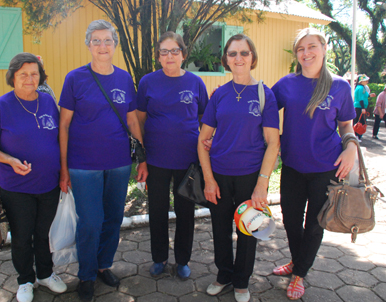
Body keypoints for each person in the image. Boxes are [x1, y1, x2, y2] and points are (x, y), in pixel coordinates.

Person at [58, 19, 147, 302]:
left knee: (113, 218)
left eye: (107, 40)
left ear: (115, 45)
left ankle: (103, 265)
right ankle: (85, 275)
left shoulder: (123, 78)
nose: (102, 45)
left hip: (119, 162)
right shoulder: (75, 78)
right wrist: (63, 167)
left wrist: (142, 157)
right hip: (84, 165)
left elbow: (132, 119)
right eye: (96, 40)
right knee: (90, 222)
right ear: (88, 45)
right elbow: (64, 125)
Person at [271, 28, 357, 300]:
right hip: (293, 166)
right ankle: (298, 261)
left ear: (323, 48)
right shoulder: (286, 84)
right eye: (300, 49)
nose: (306, 53)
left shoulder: (340, 87)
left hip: (326, 167)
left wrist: (351, 147)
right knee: (291, 220)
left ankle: (300, 273)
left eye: (311, 47)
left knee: (315, 224)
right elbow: (262, 110)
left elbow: (345, 124)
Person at [0, 53, 67, 302]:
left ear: (41, 76)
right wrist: (9, 160)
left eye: (34, 73)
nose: (30, 79)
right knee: (22, 235)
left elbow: (59, 139)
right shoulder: (1, 107)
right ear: (13, 77)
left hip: (48, 184)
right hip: (16, 188)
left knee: (43, 233)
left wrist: (63, 172)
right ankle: (26, 280)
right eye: (23, 74)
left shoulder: (48, 102)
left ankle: (46, 274)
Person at [197, 34, 280, 302]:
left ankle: (242, 281)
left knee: (248, 230)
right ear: (226, 60)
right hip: (219, 174)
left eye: (244, 53)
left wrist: (262, 184)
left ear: (252, 58)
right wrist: (209, 179)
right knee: (220, 228)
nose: (238, 58)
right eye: (232, 54)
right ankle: (224, 275)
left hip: (249, 176)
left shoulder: (265, 94)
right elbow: (202, 140)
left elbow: (273, 143)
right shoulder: (219, 95)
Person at [136, 31, 208, 279]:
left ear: (183, 54)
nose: (170, 56)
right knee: (157, 211)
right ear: (158, 57)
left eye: (174, 51)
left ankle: (182, 260)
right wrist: (142, 157)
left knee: (185, 212)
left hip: (188, 161)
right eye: (164, 52)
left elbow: (205, 120)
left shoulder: (196, 83)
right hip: (156, 160)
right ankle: (159, 258)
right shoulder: (147, 82)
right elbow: (140, 120)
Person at [353, 74, 371, 142]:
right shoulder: (361, 88)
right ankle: (357, 135)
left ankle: (357, 136)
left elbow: (364, 96)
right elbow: (360, 98)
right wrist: (363, 108)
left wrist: (369, 96)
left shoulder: (361, 87)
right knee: (360, 122)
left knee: (359, 121)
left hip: (359, 106)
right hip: (359, 107)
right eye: (365, 80)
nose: (367, 81)